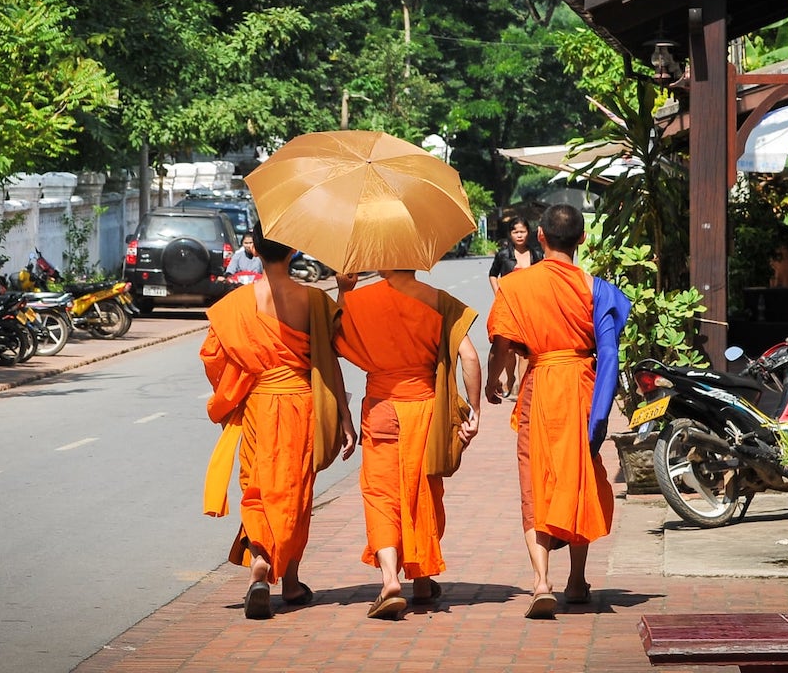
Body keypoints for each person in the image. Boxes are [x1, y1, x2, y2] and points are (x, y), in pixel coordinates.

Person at [199, 223, 358, 620]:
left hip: (257, 406)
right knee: (295, 494)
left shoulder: (233, 307)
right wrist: (345, 416)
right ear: (293, 253)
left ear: (255, 251)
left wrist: (233, 396)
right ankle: (289, 582)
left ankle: (259, 567)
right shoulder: (313, 301)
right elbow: (335, 352)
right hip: (301, 405)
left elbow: (215, 358)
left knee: (257, 486)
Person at [484, 204, 630, 620]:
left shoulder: (515, 286)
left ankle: (541, 581)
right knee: (578, 475)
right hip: (582, 385)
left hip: (541, 386)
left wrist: (498, 378)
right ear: (582, 239)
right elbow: (609, 350)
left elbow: (503, 343)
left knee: (536, 481)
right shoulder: (594, 288)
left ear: (541, 237)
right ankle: (577, 580)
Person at [332, 269, 483, 620]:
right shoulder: (439, 300)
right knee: (423, 492)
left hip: (382, 407)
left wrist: (343, 293)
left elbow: (334, 343)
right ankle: (423, 579)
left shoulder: (359, 301)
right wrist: (474, 410)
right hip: (426, 411)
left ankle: (389, 579)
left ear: (382, 261)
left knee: (381, 494)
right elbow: (471, 358)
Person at [486, 217, 544, 397]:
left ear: (529, 232)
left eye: (522, 231)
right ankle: (510, 378)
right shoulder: (503, 255)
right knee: (508, 348)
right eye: (515, 232)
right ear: (510, 234)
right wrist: (498, 292)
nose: (519, 235)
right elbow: (493, 274)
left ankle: (522, 388)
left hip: (529, 307)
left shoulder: (536, 254)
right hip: (509, 307)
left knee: (524, 350)